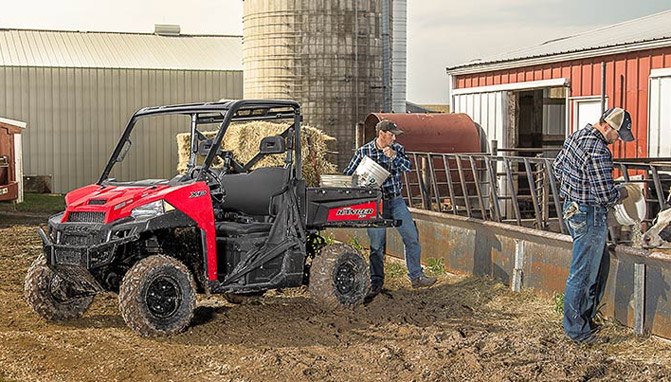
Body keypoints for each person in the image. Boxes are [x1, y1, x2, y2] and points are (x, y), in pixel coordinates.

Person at [552, 107, 635, 343]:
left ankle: (584, 319)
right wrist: (624, 192)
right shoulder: (599, 151)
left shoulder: (576, 136)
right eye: (618, 134)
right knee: (584, 273)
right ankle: (577, 330)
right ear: (607, 126)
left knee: (598, 266)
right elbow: (605, 196)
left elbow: (558, 167)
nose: (618, 139)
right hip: (590, 214)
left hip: (572, 208)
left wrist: (576, 188)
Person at [344, 120, 437, 298]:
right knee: (377, 245)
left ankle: (416, 276)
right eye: (392, 134)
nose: (394, 137)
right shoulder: (364, 151)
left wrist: (393, 156)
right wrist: (361, 181)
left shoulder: (398, 149)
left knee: (411, 237)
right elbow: (348, 173)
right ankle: (376, 282)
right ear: (381, 134)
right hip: (375, 204)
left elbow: (408, 167)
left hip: (396, 201)